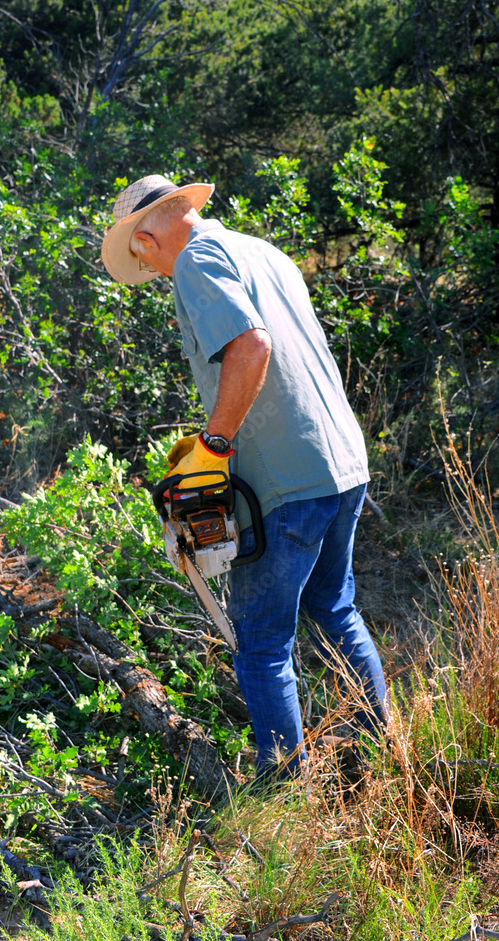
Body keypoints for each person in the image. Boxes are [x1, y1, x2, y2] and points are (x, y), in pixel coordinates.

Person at [101, 174, 388, 780]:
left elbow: (252, 348)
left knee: (260, 642)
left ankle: (281, 792)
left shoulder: (196, 261)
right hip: (340, 461)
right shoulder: (262, 251)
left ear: (148, 236)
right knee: (335, 607)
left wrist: (213, 444)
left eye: (142, 257)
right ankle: (383, 759)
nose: (149, 270)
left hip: (288, 480)